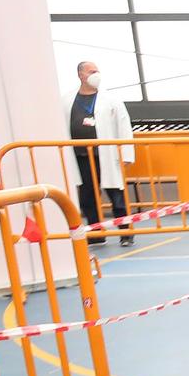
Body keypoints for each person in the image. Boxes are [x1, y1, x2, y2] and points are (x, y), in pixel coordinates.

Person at [64, 60, 134, 247]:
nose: (96, 74)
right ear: (80, 75)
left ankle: (126, 232)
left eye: (97, 71)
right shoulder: (67, 100)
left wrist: (126, 154)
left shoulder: (111, 100)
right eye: (91, 71)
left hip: (107, 156)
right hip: (80, 157)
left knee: (116, 195)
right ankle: (96, 233)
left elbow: (124, 127)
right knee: (87, 197)